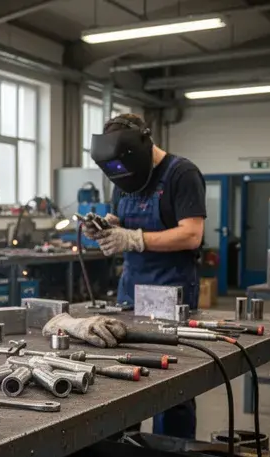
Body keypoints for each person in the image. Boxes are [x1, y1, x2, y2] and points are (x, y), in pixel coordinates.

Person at [87, 113, 207, 439]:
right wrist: (104, 228)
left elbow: (192, 234)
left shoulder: (182, 173)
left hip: (171, 291)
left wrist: (135, 238)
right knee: (127, 376)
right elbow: (119, 219)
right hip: (131, 291)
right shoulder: (123, 175)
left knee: (173, 385)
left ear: (143, 144)